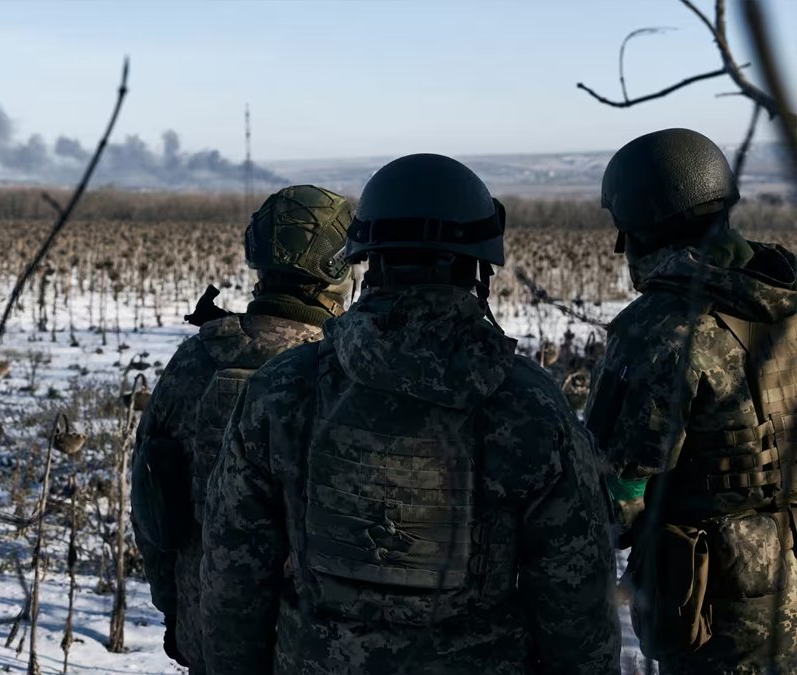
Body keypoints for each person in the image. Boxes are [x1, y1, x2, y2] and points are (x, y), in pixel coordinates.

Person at [201, 153, 620, 675]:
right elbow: (577, 597)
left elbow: (234, 576)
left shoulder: (282, 390)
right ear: (479, 264)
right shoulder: (528, 404)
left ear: (364, 257)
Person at [585, 127, 797, 674]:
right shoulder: (788, 300)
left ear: (638, 225)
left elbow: (612, 490)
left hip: (720, 611)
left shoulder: (661, 331)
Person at [130, 184, 357, 672]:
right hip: (317, 651)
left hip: (208, 639)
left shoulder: (197, 358)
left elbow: (152, 510)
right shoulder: (345, 372)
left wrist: (178, 613)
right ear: (339, 269)